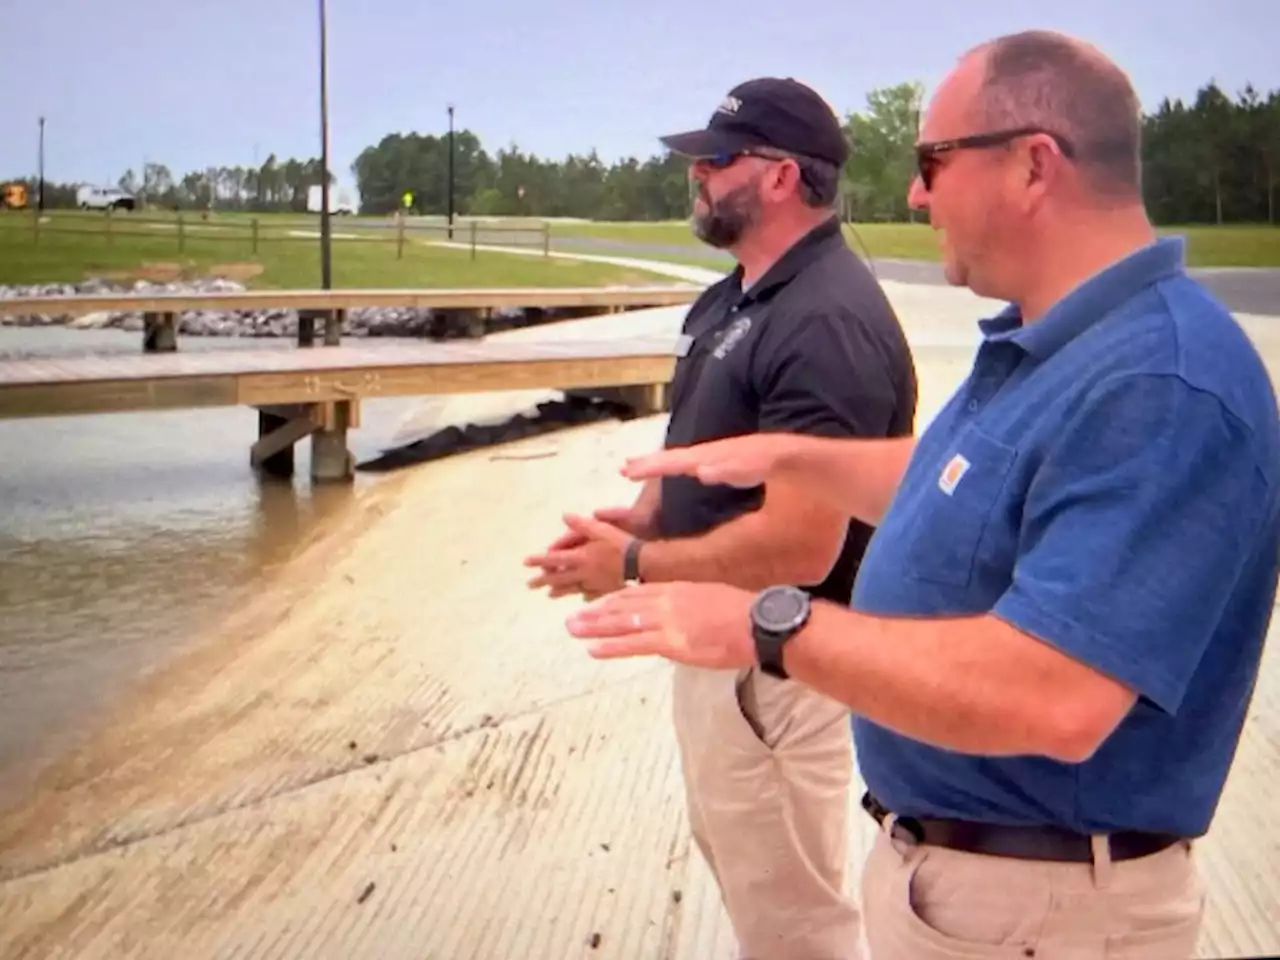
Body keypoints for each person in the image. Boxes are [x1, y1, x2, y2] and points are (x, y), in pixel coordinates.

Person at [565, 29, 1280, 960]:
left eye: (932, 161)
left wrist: (764, 627)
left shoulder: (1157, 381)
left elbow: (1057, 696)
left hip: (1045, 908)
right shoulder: (1057, 344)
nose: (912, 192)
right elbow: (962, 483)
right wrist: (786, 454)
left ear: (1033, 165)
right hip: (972, 886)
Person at [525, 77, 917, 958]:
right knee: (747, 874)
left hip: (779, 666)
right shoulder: (733, 297)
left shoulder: (827, 322)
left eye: (716, 158)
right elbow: (695, 448)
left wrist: (633, 568)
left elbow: (805, 545)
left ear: (781, 177)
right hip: (719, 642)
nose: (695, 173)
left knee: (794, 915)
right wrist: (636, 522)